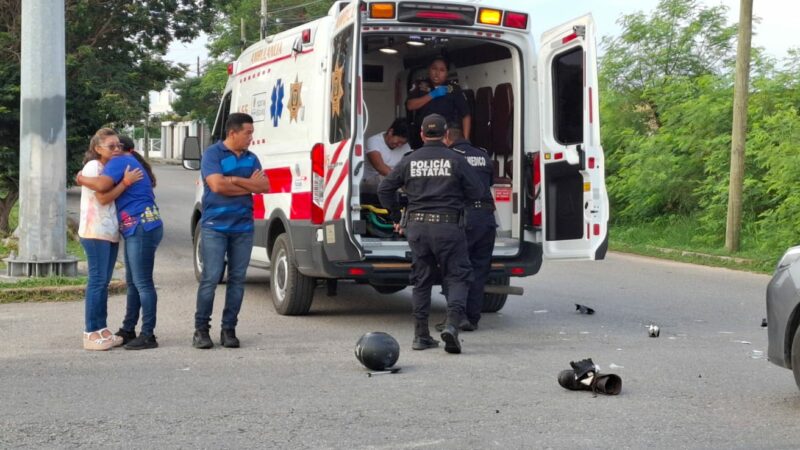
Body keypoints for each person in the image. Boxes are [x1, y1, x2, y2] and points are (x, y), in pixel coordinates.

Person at [378, 114, 483, 354]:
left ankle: (420, 335)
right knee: (458, 275)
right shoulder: (456, 159)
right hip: (448, 227)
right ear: (446, 135)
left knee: (421, 280)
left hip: (417, 228)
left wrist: (397, 215)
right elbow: (477, 191)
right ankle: (452, 326)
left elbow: (385, 188)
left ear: (422, 135)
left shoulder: (408, 160)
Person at [77, 131, 164, 351]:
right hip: (134, 227)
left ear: (126, 148)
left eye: (118, 146)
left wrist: (79, 178)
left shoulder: (118, 162)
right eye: (111, 146)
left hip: (140, 226)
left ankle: (147, 334)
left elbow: (103, 190)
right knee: (133, 281)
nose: (115, 150)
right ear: (98, 148)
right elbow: (103, 193)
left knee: (141, 282)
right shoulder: (117, 162)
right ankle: (127, 329)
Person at [193, 113, 270, 349]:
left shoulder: (252, 158)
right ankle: (201, 330)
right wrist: (247, 185)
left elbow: (264, 186)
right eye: (248, 133)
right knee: (211, 278)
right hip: (215, 226)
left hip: (243, 227)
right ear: (232, 132)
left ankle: (229, 329)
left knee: (238, 280)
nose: (251, 138)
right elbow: (216, 185)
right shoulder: (213, 154)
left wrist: (234, 180)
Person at [436, 123, 497, 332]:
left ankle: (456, 316)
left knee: (454, 268)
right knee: (479, 270)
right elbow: (487, 183)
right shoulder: (483, 155)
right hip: (487, 219)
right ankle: (472, 318)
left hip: (463, 217)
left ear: (447, 137)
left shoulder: (450, 156)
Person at [406, 58, 471, 146]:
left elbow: (466, 115)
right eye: (434, 69)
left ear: (447, 73)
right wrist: (433, 95)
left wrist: (465, 141)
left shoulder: (453, 88)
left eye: (442, 70)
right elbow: (410, 105)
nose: (437, 73)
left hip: (446, 135)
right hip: (423, 135)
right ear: (429, 70)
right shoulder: (420, 85)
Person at [361, 118, 411, 201]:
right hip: (371, 180)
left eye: (402, 143)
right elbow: (380, 168)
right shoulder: (373, 141)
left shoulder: (405, 147)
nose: (399, 145)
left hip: (395, 181)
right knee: (384, 179)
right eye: (398, 142)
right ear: (390, 132)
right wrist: (400, 181)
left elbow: (409, 165)